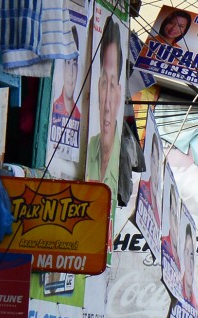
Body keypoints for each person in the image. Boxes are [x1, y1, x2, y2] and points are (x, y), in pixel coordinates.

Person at [87, 15, 124, 195]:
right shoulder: (88, 148)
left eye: (112, 84)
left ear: (119, 94)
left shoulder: (120, 162)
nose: (107, 106)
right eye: (104, 84)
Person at [52, 29, 80, 120]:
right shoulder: (52, 108)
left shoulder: (80, 116)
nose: (71, 73)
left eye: (74, 64)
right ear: (63, 67)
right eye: (68, 63)